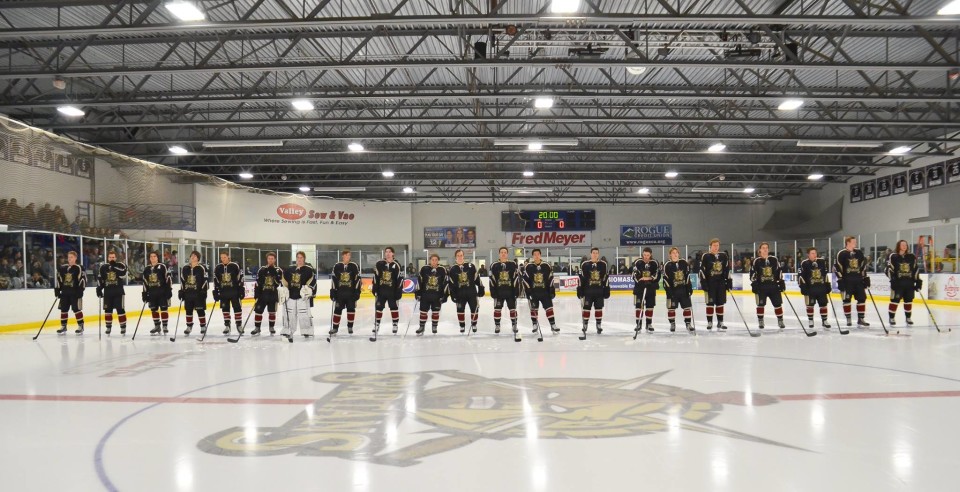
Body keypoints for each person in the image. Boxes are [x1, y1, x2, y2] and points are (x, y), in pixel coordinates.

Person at [834, 236, 870, 327]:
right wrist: (840, 279)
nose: (855, 243)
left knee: (862, 299)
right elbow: (836, 267)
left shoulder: (858, 252)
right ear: (848, 242)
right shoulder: (841, 253)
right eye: (854, 241)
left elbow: (863, 266)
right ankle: (848, 319)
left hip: (858, 280)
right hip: (847, 281)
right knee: (846, 300)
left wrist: (865, 277)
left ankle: (861, 319)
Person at [750, 242, 786, 329]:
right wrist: (754, 283)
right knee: (760, 304)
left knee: (778, 304)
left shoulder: (774, 259)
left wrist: (781, 281)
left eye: (766, 248)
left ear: (768, 249)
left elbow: (779, 271)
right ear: (760, 250)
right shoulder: (756, 261)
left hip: (773, 286)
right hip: (761, 287)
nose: (765, 249)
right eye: (763, 248)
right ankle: (761, 321)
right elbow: (752, 274)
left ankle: (780, 320)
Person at [281, 251, 316, 338]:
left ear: (304, 259)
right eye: (298, 258)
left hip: (302, 297)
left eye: (301, 258)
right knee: (289, 314)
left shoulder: (309, 270)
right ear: (296, 259)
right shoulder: (289, 269)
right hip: (291, 296)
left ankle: (307, 331)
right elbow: (284, 280)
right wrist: (284, 289)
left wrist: (309, 290)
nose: (299, 259)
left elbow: (313, 282)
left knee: (304, 314)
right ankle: (287, 330)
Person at [523, 248, 558, 333]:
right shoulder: (528, 266)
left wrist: (551, 290)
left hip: (545, 292)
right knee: (534, 309)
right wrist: (528, 292)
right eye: (534, 254)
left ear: (540, 255)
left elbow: (551, 279)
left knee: (549, 308)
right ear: (532, 256)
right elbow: (525, 280)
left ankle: (553, 325)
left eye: (538, 254)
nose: (536, 256)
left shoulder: (546, 265)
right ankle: (534, 324)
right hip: (534, 293)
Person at [886, 239, 920, 326]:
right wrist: (892, 280)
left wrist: (918, 281)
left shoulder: (911, 256)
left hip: (909, 283)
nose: (905, 246)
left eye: (906, 245)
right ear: (898, 246)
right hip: (898, 284)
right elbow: (888, 269)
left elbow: (915, 269)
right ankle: (892, 317)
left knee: (908, 301)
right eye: (902, 245)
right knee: (895, 300)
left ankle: (908, 318)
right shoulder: (893, 256)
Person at [699, 238, 731, 330]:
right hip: (710, 284)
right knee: (710, 303)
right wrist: (703, 283)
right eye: (714, 245)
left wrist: (728, 281)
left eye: (717, 245)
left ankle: (720, 322)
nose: (716, 247)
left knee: (720, 303)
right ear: (710, 246)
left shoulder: (723, 256)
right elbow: (702, 271)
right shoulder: (706, 256)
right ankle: (709, 322)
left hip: (721, 284)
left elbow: (727, 269)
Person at [448, 249, 484, 333]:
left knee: (474, 309)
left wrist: (481, 287)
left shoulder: (471, 266)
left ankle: (474, 324)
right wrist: (453, 294)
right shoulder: (452, 269)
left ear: (463, 256)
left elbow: (477, 278)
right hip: (459, 294)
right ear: (455, 257)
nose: (460, 257)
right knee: (460, 310)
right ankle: (462, 326)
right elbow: (451, 283)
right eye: (458, 256)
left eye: (461, 255)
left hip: (472, 293)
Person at [662, 247, 694, 332]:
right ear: (670, 255)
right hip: (673, 291)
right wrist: (668, 291)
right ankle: (672, 324)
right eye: (673, 253)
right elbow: (665, 279)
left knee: (687, 307)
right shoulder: (667, 265)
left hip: (683, 290)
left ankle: (688, 323)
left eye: (676, 253)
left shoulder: (683, 262)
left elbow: (687, 276)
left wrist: (689, 287)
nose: (675, 254)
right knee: (671, 308)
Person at [578, 247, 610, 334]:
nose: (595, 254)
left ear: (598, 254)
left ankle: (598, 325)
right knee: (586, 308)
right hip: (588, 292)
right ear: (590, 254)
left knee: (599, 309)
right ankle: (585, 325)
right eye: (593, 253)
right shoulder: (585, 264)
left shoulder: (603, 264)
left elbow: (605, 277)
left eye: (596, 253)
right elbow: (581, 278)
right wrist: (580, 290)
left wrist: (606, 289)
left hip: (599, 291)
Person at [798, 247, 831, 329]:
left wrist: (827, 284)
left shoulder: (822, 261)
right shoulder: (804, 263)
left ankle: (824, 320)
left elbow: (825, 274)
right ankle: (810, 320)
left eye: (815, 253)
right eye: (812, 253)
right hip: (810, 289)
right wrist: (803, 286)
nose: (814, 255)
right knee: (810, 305)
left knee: (823, 305)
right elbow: (801, 276)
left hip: (821, 288)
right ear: (808, 255)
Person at [373, 247, 404, 335]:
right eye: (386, 252)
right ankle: (377, 324)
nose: (387, 253)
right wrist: (375, 288)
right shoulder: (379, 263)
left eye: (389, 252)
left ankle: (395, 324)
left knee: (393, 307)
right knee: (379, 307)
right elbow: (376, 277)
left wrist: (398, 291)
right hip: (381, 291)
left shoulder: (396, 265)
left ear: (393, 254)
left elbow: (400, 279)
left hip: (392, 292)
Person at [489, 247, 520, 335]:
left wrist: (516, 290)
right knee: (497, 309)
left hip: (510, 292)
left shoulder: (513, 264)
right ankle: (497, 325)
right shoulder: (494, 265)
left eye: (505, 252)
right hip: (499, 292)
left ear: (507, 254)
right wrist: (493, 291)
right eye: (501, 252)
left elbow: (516, 278)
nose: (503, 254)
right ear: (499, 254)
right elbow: (492, 280)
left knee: (513, 309)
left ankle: (514, 325)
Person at [97, 250, 128, 336]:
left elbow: (123, 274)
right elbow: (101, 279)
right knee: (108, 310)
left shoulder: (121, 265)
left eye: (113, 257)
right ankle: (108, 327)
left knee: (120, 310)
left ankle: (123, 327)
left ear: (116, 258)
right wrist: (99, 288)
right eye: (110, 257)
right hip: (108, 292)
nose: (111, 259)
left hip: (118, 292)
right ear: (107, 258)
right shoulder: (103, 267)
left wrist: (114, 267)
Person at [416, 254, 449, 335]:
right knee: (423, 311)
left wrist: (445, 295)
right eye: (432, 260)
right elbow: (419, 281)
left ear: (438, 261)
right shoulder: (424, 269)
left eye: (436, 260)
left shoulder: (442, 269)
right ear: (430, 260)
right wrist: (418, 293)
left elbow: (446, 283)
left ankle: (434, 326)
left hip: (437, 296)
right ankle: (421, 327)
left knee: (435, 312)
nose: (434, 261)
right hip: (425, 295)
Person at [330, 250, 361, 335]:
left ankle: (350, 327)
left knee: (351, 309)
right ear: (343, 256)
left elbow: (357, 280)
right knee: (337, 310)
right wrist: (333, 291)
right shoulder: (337, 266)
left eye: (349, 255)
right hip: (340, 293)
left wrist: (357, 292)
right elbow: (334, 280)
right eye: (346, 255)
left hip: (351, 294)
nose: (348, 257)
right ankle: (335, 328)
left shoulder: (354, 266)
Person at [55, 251, 85, 335]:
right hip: (65, 292)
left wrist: (80, 290)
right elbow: (59, 280)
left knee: (76, 309)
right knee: (63, 309)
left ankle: (81, 325)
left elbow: (83, 279)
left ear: (75, 258)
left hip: (75, 292)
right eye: (68, 257)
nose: (69, 259)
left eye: (71, 257)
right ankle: (63, 326)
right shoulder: (63, 268)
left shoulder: (79, 268)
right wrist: (57, 290)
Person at [213, 251, 244, 335]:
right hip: (223, 292)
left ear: (228, 257)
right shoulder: (218, 267)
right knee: (225, 309)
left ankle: (239, 325)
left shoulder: (235, 266)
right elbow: (216, 280)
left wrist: (241, 289)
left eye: (224, 257)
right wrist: (216, 291)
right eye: (221, 257)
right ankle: (227, 325)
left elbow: (240, 277)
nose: (223, 259)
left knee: (237, 308)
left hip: (234, 291)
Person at [142, 251, 172, 336]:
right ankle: (157, 326)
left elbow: (168, 279)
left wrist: (169, 290)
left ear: (157, 257)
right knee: (154, 310)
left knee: (164, 309)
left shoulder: (163, 266)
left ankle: (165, 326)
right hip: (152, 293)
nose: (152, 258)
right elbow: (145, 282)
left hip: (162, 293)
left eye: (154, 256)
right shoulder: (147, 269)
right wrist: (145, 293)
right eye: (151, 256)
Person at [253, 252, 283, 336]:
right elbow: (258, 283)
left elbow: (279, 283)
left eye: (272, 259)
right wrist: (257, 294)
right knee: (258, 311)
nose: (270, 260)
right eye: (269, 258)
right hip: (263, 294)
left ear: (275, 259)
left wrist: (275, 274)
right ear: (267, 259)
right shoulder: (262, 269)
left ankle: (271, 327)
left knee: (272, 312)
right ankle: (257, 328)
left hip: (273, 294)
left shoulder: (279, 270)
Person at [179, 251, 209, 336]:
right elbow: (182, 281)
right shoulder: (185, 268)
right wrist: (181, 291)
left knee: (200, 310)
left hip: (198, 294)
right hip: (188, 293)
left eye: (195, 256)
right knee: (188, 310)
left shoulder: (202, 268)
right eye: (191, 255)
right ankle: (189, 326)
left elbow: (206, 280)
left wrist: (203, 291)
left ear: (198, 258)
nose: (192, 257)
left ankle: (203, 326)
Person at [632, 247, 660, 333]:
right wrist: (640, 281)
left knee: (650, 307)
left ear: (650, 255)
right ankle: (638, 324)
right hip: (639, 289)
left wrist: (650, 278)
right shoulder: (637, 262)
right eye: (644, 255)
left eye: (648, 255)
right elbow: (634, 275)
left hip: (651, 288)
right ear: (642, 254)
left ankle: (649, 324)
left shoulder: (655, 263)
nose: (646, 257)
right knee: (638, 307)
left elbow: (657, 275)